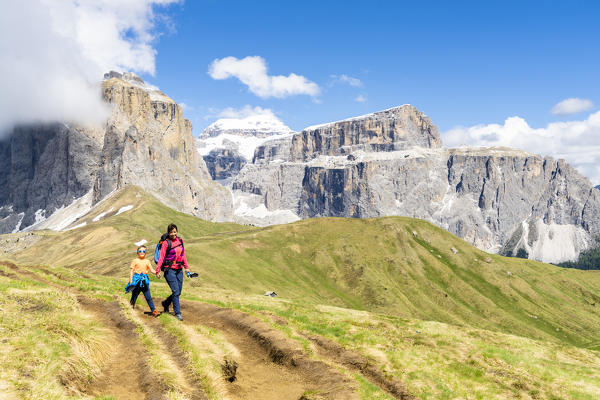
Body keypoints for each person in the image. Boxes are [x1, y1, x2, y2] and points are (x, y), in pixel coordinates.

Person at [155, 223, 191, 321]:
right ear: (168, 233)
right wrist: (157, 270)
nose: (173, 234)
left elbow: (183, 255)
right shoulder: (166, 243)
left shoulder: (180, 241)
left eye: (174, 232)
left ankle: (166, 303)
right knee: (175, 291)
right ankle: (177, 313)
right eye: (171, 232)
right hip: (169, 269)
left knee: (178, 291)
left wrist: (186, 267)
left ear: (177, 232)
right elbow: (161, 257)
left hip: (179, 269)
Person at [125, 245, 160, 317]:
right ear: (137, 253)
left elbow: (151, 270)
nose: (142, 252)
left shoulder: (147, 261)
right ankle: (130, 308)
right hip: (136, 280)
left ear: (145, 253)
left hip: (144, 281)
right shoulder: (135, 260)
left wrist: (156, 272)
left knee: (148, 297)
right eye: (140, 251)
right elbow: (131, 271)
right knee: (134, 296)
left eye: (143, 251)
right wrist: (131, 281)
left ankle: (154, 310)